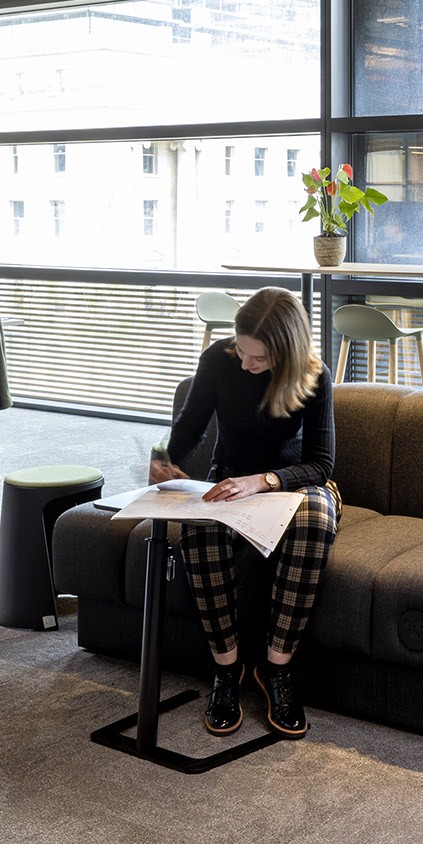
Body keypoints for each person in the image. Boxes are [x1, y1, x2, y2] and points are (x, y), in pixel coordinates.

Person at [151, 287, 337, 739]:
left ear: (286, 353)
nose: (244, 364)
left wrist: (265, 480)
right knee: (199, 530)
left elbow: (321, 462)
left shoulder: (315, 377)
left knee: (313, 523)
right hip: (231, 478)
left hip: (296, 482)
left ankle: (277, 671)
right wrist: (162, 457)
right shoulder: (219, 360)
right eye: (240, 349)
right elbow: (190, 425)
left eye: (257, 358)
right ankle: (227, 671)